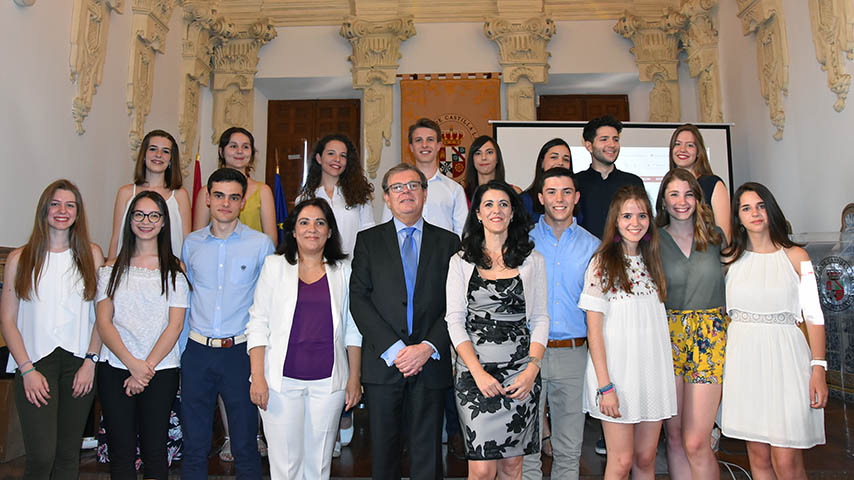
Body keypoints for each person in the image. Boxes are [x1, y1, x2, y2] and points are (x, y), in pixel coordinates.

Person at [350, 163, 460, 480]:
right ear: (386, 197)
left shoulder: (449, 243)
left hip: (430, 363)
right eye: (397, 187)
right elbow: (358, 299)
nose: (406, 192)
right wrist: (396, 349)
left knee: (428, 456)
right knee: (384, 457)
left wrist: (427, 347)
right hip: (384, 364)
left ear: (424, 194)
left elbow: (456, 304)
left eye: (413, 185)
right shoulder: (368, 241)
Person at [246, 198, 362, 479]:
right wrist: (257, 377)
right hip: (280, 383)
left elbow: (352, 327)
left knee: (319, 464)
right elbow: (258, 322)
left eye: (320, 223)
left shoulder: (344, 270)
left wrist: (354, 378)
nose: (312, 229)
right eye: (304, 222)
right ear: (294, 231)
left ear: (330, 231)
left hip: (329, 383)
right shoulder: (274, 266)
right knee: (285, 465)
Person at [720, 182, 827, 478]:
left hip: (787, 361)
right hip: (743, 362)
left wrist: (818, 368)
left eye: (760, 206)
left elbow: (814, 315)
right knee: (758, 457)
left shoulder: (798, 257)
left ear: (771, 210)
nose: (755, 213)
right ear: (738, 216)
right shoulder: (728, 258)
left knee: (786, 459)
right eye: (746, 208)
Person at [0, 179, 104, 480]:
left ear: (78, 212)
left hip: (79, 365)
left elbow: (101, 316)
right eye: (56, 204)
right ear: (44, 209)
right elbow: (8, 320)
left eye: (70, 205)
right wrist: (27, 370)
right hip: (35, 364)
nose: (62, 210)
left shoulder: (92, 255)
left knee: (68, 454)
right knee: (42, 456)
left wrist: (90, 362)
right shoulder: (20, 258)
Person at [445, 181, 548, 479]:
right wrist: (477, 372)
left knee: (513, 466)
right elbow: (454, 320)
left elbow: (541, 318)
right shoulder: (461, 261)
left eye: (504, 204)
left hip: (521, 373)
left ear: (513, 212)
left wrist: (531, 370)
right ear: (478, 214)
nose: (496, 210)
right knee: (481, 470)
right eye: (488, 204)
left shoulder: (533, 261)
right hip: (474, 374)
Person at [180, 168, 274, 480]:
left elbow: (267, 306)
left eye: (234, 197)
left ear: (243, 201)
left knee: (246, 445)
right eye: (219, 195)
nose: (225, 203)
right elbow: (185, 298)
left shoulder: (261, 245)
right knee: (194, 445)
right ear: (207, 198)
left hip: (240, 353)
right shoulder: (191, 244)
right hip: (197, 351)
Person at [578, 185, 676, 480]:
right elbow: (594, 331)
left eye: (642, 215)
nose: (635, 222)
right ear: (616, 221)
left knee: (645, 459)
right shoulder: (602, 263)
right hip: (617, 379)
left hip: (652, 376)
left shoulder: (653, 261)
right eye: (627, 216)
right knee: (620, 462)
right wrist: (605, 387)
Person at [96, 190, 190, 480]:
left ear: (163, 223)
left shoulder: (175, 269)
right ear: (130, 220)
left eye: (153, 215)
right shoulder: (110, 268)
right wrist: (132, 364)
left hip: (160, 369)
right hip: (115, 367)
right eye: (139, 214)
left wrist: (145, 368)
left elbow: (175, 325)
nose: (146, 221)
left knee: (155, 451)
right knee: (121, 453)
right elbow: (104, 322)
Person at [523, 168, 600, 480]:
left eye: (567, 192)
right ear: (540, 198)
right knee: (527, 450)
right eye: (552, 192)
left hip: (573, 355)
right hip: (529, 354)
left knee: (569, 450)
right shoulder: (522, 242)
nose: (559, 198)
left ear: (576, 197)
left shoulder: (593, 246)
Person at [654, 169, 727, 480]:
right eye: (674, 194)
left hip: (709, 338)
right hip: (667, 337)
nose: (681, 201)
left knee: (697, 441)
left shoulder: (716, 237)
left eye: (688, 194)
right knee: (673, 436)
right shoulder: (652, 240)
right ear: (663, 200)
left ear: (698, 199)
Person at [107, 129, 191, 260]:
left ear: (171, 159)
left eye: (165, 151)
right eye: (153, 149)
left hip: (169, 269)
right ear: (144, 155)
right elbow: (116, 239)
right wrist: (109, 268)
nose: (158, 155)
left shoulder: (180, 195)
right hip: (129, 268)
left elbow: (187, 242)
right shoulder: (125, 193)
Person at [381, 118, 468, 237]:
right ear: (411, 147)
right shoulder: (396, 188)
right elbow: (386, 230)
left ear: (439, 145)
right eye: (418, 140)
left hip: (444, 249)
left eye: (430, 140)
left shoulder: (454, 190)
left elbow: (462, 234)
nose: (424, 145)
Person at [193, 127, 277, 246]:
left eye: (245, 147)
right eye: (233, 146)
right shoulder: (206, 191)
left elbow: (271, 241)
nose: (240, 151)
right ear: (221, 151)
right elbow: (198, 239)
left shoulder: (263, 191)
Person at [298, 133, 375, 256]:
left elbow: (369, 234)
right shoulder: (305, 199)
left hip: (353, 264)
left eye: (343, 155)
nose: (337, 159)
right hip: (317, 265)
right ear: (319, 158)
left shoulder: (360, 196)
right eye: (331, 153)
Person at [575, 116, 644, 239]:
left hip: (624, 250)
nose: (612, 145)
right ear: (589, 146)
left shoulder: (633, 182)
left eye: (615, 139)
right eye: (604, 139)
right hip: (585, 250)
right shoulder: (576, 182)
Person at [668, 124, 731, 242]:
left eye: (690, 145)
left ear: (698, 152)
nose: (682, 149)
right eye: (677, 144)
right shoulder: (668, 186)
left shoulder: (713, 184)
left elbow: (725, 236)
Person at [521, 138, 573, 223]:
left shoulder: (575, 199)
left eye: (566, 159)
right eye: (554, 157)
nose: (560, 162)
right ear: (542, 162)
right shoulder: (525, 200)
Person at [463, 135, 522, 205]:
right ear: (472, 160)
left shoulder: (515, 192)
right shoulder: (462, 195)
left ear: (497, 158)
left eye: (489, 152)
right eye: (478, 153)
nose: (483, 157)